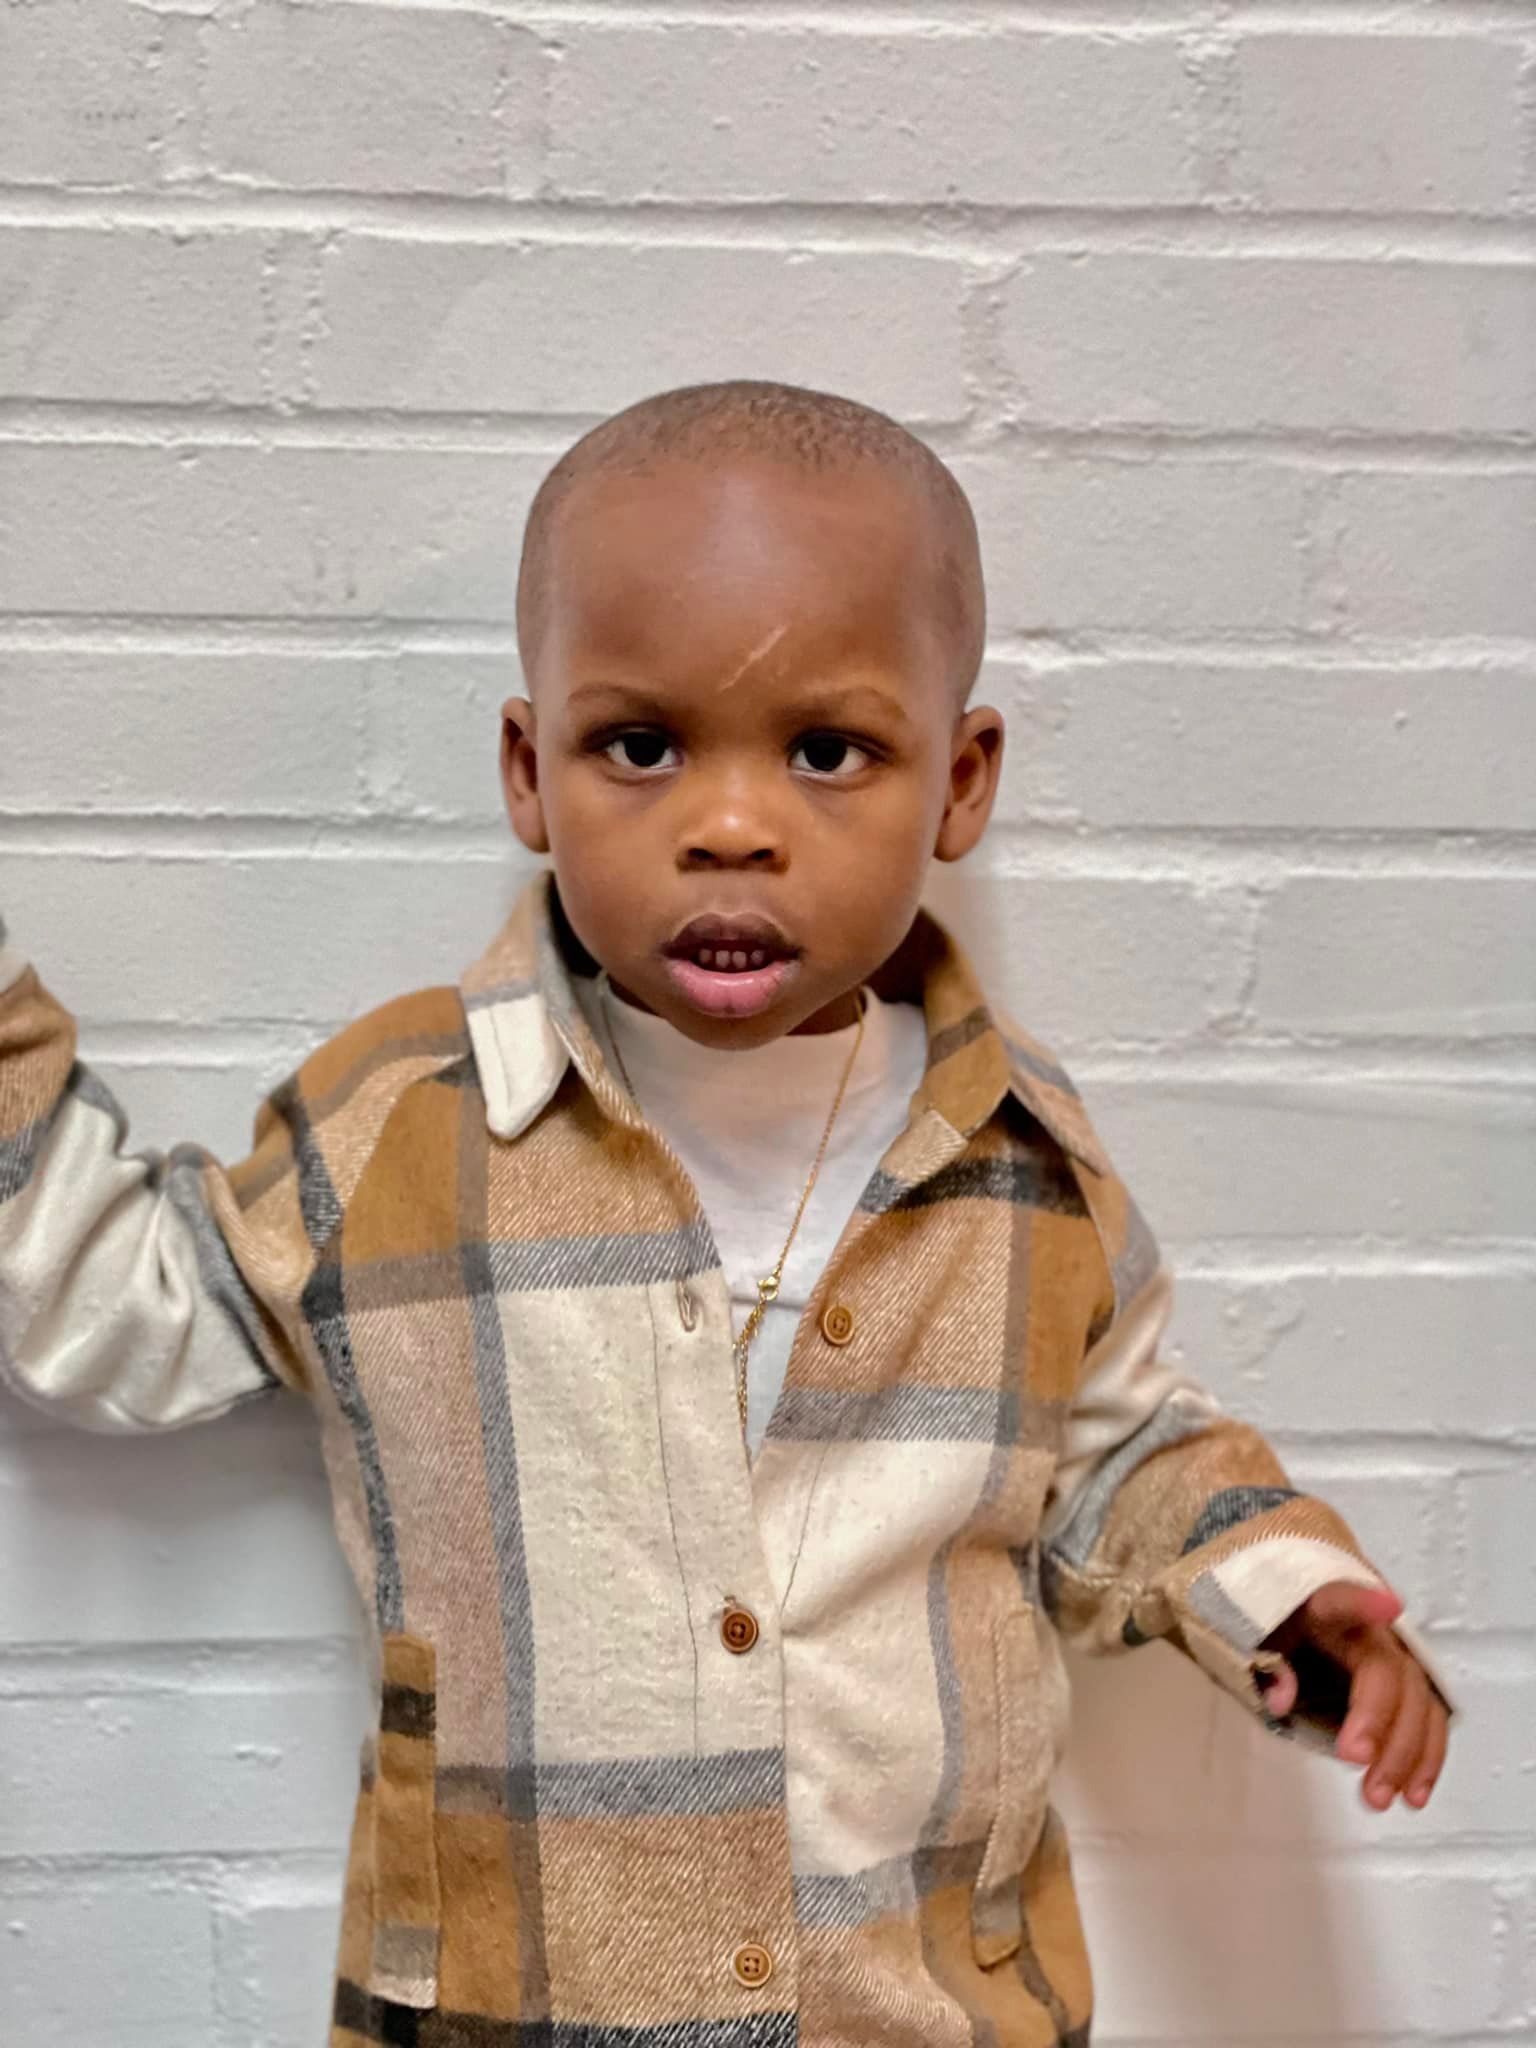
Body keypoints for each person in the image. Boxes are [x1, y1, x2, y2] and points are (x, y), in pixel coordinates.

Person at [0, 378, 1455, 2045]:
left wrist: (1286, 1595)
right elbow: (115, 1309)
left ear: (961, 779)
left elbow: (1121, 1455)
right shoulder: (397, 1128)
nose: (733, 827)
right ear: (529, 771)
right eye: (642, 746)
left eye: (829, 752)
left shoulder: (1022, 1159)